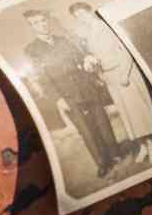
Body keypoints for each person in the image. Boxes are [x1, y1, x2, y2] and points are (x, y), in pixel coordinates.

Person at [22, 9, 120, 177]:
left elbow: (79, 56)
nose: (42, 25)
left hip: (85, 86)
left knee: (102, 120)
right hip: (66, 95)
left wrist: (87, 59)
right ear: (32, 27)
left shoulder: (63, 40)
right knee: (85, 129)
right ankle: (102, 162)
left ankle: (115, 153)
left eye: (43, 20)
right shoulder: (32, 50)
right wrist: (58, 99)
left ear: (47, 20)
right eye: (36, 23)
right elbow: (41, 77)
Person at [69, 3, 152, 166]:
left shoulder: (104, 26)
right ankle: (142, 146)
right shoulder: (89, 34)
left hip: (123, 73)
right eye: (77, 17)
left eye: (82, 13)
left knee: (137, 113)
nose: (81, 18)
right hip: (110, 77)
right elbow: (98, 56)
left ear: (89, 11)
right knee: (128, 116)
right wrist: (95, 67)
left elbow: (125, 50)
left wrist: (124, 74)